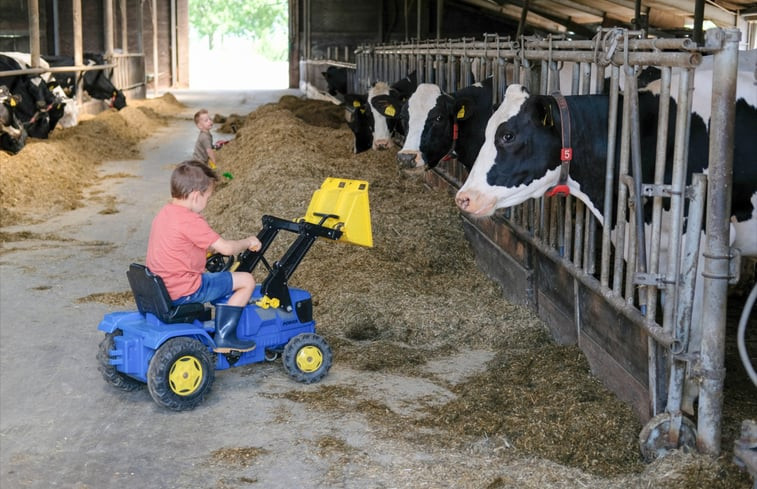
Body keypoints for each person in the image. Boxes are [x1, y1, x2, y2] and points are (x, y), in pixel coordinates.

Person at [146, 160, 261, 352]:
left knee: (221, 279)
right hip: (186, 289)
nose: (207, 202)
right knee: (247, 280)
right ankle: (226, 336)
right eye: (208, 197)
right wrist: (248, 242)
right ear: (196, 195)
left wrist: (208, 250)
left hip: (161, 286)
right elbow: (226, 249)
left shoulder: (165, 213)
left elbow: (183, 246)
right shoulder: (191, 220)